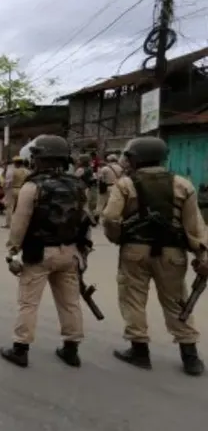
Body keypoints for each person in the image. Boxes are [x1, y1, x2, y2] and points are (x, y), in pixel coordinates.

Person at [102, 136, 208, 376]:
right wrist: (202, 254)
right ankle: (190, 356)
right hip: (172, 253)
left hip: (134, 251)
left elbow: (110, 217)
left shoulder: (125, 184)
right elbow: (195, 226)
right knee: (176, 301)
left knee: (133, 299)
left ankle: (139, 351)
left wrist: (117, 236)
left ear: (136, 159)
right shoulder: (183, 184)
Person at [0, 135, 87, 368]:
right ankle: (71, 349)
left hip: (39, 253)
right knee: (70, 302)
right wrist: (83, 253)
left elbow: (19, 223)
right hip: (70, 252)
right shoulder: (77, 185)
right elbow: (84, 221)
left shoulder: (33, 186)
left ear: (40, 159)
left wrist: (12, 251)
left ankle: (20, 349)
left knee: (28, 303)